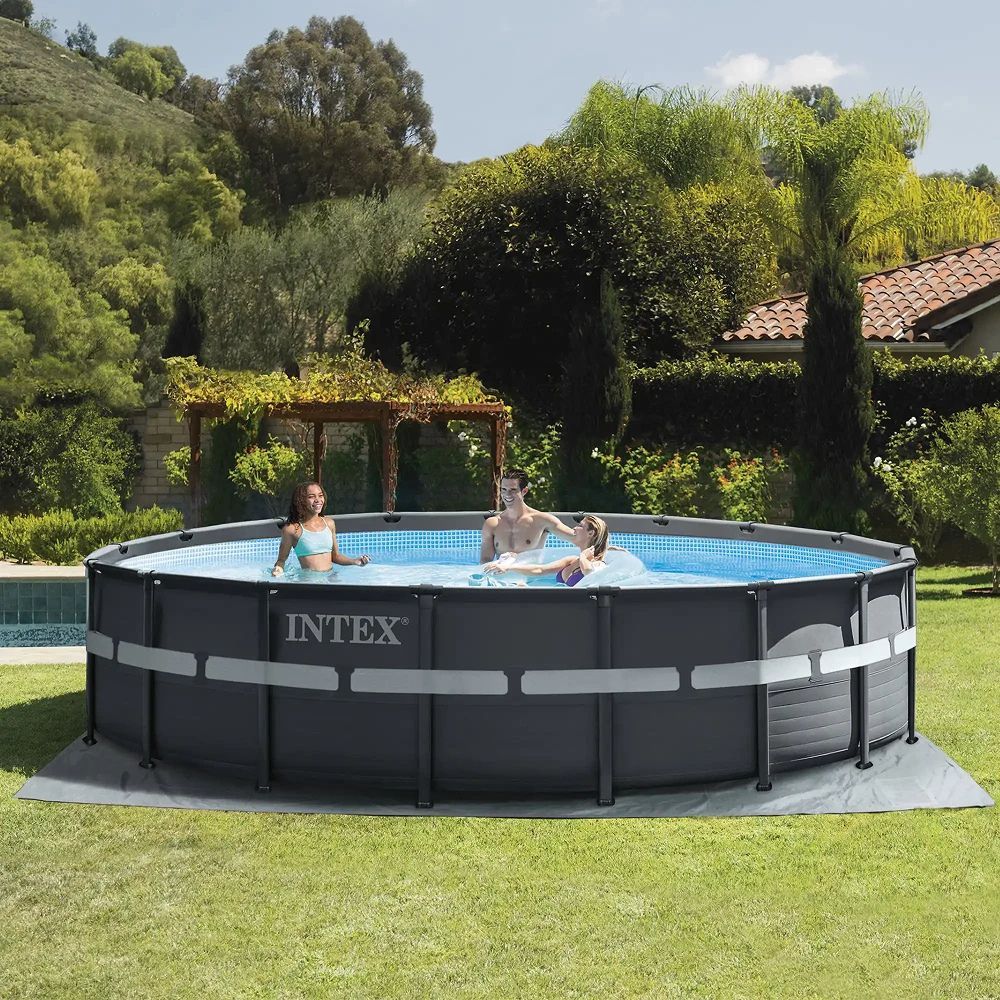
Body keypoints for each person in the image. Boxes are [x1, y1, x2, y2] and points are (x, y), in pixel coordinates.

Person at [271, 481, 371, 576]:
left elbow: (335, 556)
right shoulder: (292, 529)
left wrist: (355, 561)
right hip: (310, 582)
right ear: (301, 501)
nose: (318, 500)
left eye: (320, 495)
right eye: (311, 497)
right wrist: (278, 570)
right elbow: (281, 560)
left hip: (331, 579)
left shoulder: (329, 523)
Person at [483, 514, 610, 586]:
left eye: (580, 526)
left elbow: (588, 572)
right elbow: (540, 570)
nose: (575, 528)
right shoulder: (571, 561)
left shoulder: (599, 564)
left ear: (591, 533)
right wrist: (508, 567)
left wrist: (583, 556)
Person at [480, 468, 575, 562]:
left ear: (524, 491)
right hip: (502, 572)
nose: (507, 494)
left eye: (513, 490)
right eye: (504, 489)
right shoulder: (492, 524)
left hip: (530, 572)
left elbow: (576, 538)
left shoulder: (541, 520)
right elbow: (485, 560)